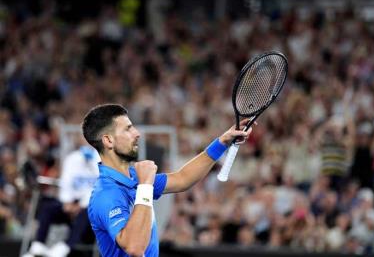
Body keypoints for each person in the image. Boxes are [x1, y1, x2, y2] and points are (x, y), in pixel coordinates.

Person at [83, 103, 252, 257]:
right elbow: (135, 247)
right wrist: (145, 187)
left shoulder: (135, 177)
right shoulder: (106, 195)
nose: (137, 133)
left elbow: (183, 178)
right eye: (127, 129)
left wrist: (222, 142)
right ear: (108, 140)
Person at [23, 142, 99, 257]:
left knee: (86, 213)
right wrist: (67, 202)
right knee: (48, 206)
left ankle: (65, 247)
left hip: (90, 210)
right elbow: (66, 182)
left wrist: (81, 205)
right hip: (71, 204)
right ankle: (38, 245)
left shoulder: (102, 161)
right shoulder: (73, 159)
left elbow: (100, 189)